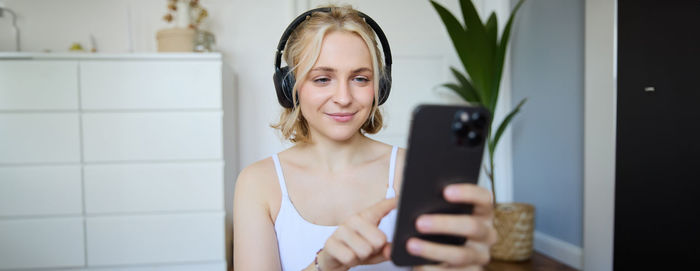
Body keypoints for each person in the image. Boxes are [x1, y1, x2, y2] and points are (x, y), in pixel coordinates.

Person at [233, 5, 497, 271]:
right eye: (323, 79)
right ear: (291, 87)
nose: (344, 98)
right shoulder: (258, 182)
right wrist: (324, 266)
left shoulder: (411, 170)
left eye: (360, 78)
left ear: (380, 88)